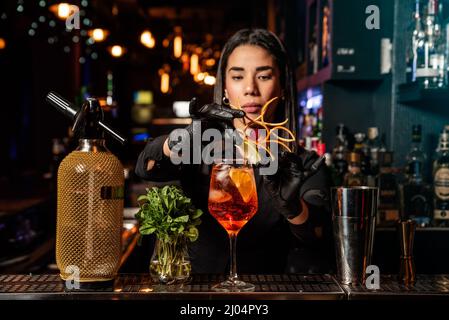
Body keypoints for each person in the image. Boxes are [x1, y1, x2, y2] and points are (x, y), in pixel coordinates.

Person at [135, 29, 334, 274]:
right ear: (226, 89)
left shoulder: (304, 164)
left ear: (282, 86)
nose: (250, 88)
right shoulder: (201, 149)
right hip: (196, 291)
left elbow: (319, 236)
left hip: (263, 292)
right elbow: (147, 167)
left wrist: (294, 207)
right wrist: (184, 139)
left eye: (263, 76)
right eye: (238, 77)